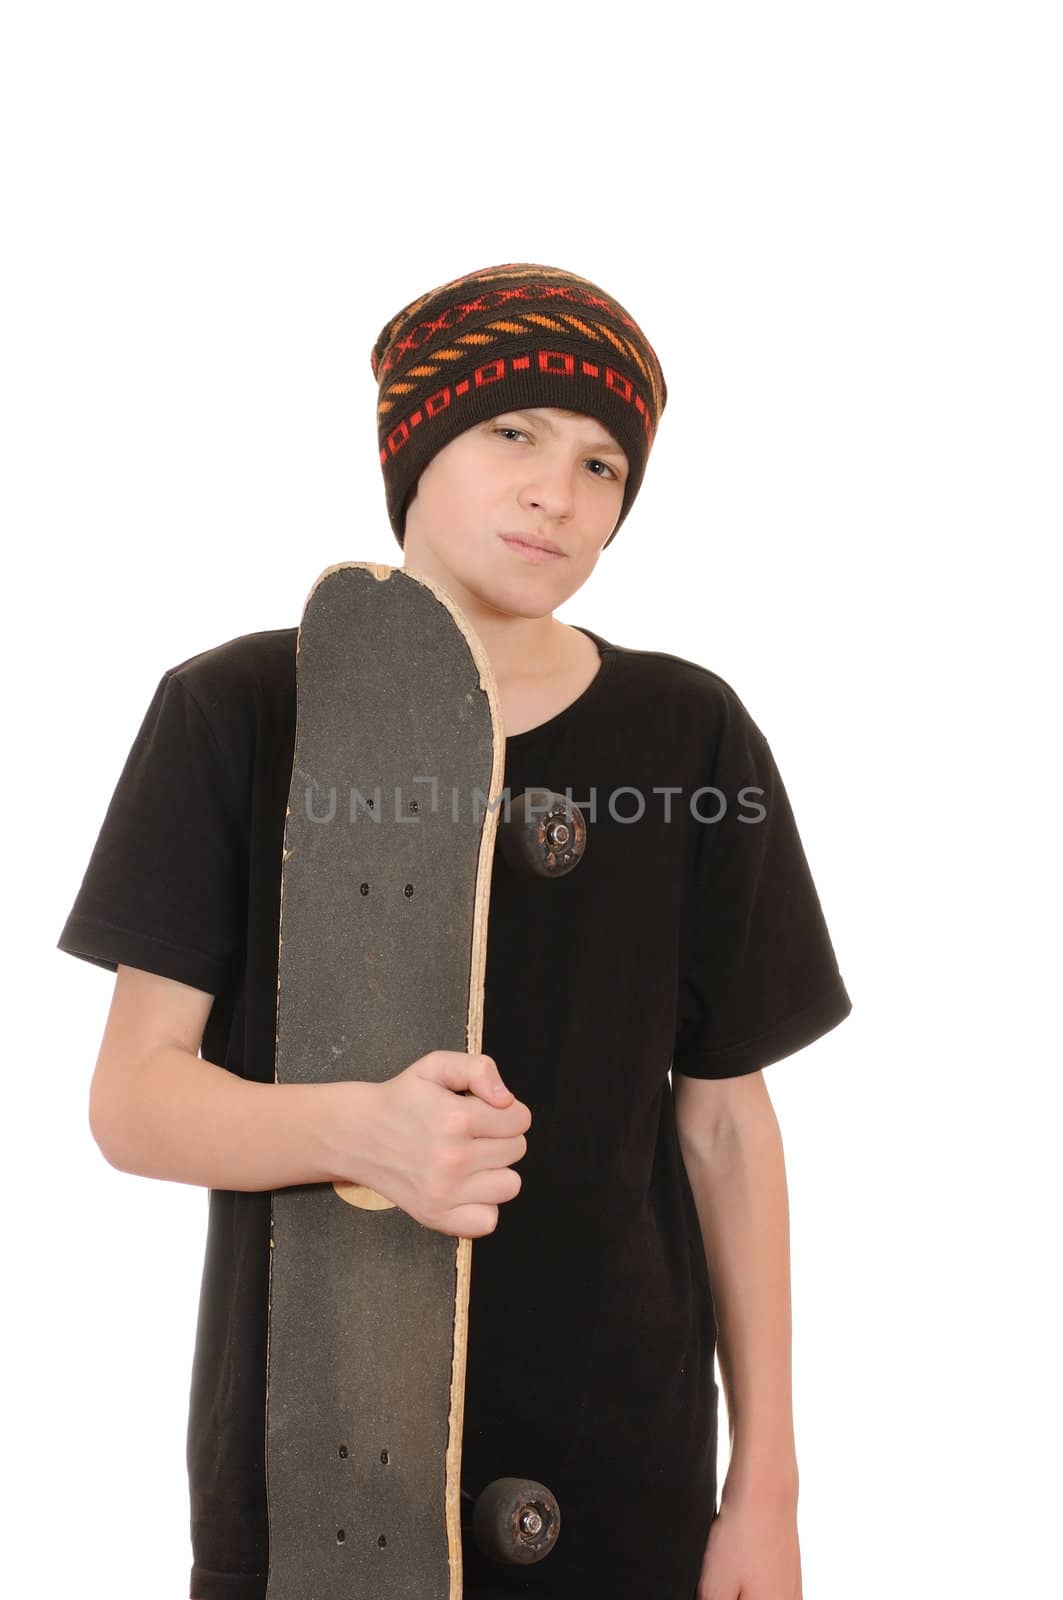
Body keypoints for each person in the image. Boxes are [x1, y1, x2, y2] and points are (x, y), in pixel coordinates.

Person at [57, 261, 852, 1600]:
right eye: (514, 433)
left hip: (628, 1480)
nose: (560, 489)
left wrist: (763, 1483)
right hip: (318, 1483)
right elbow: (134, 1101)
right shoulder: (241, 710)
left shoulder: (687, 732)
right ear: (416, 446)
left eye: (606, 465)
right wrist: (356, 1129)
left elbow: (724, 1123)